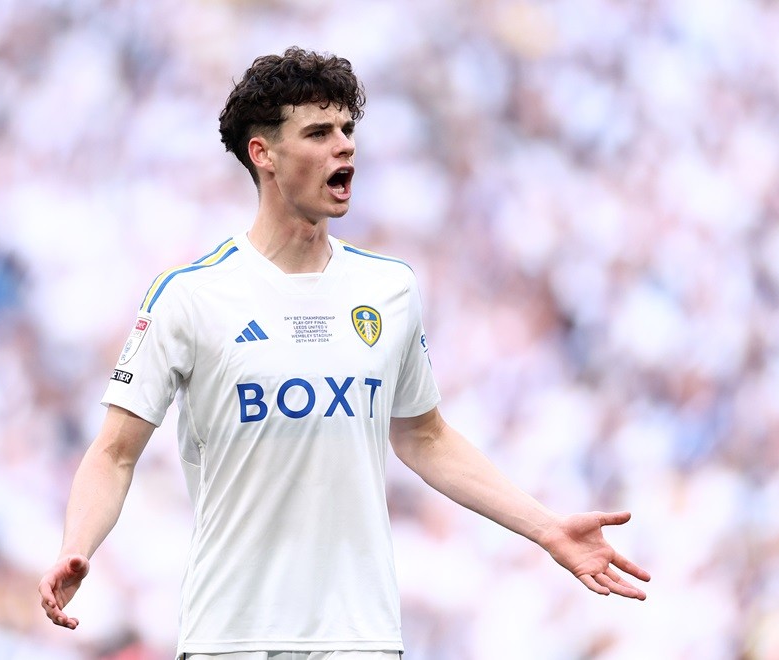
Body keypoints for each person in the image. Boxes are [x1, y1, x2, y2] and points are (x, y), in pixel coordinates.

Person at [38, 46, 651, 659]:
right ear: (264, 154)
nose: (345, 146)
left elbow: (426, 437)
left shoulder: (389, 289)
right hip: (233, 634)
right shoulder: (191, 296)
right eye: (319, 132)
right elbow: (115, 453)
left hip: (361, 635)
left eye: (348, 130)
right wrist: (78, 544)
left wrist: (547, 529)